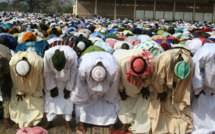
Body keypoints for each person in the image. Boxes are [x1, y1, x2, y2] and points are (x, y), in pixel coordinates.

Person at [73, 51, 120, 133]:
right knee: (82, 101)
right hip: (89, 88)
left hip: (107, 88)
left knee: (112, 101)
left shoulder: (114, 70)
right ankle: (82, 123)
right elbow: (80, 87)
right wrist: (84, 97)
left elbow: (113, 89)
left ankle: (111, 123)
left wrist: (109, 98)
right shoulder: (83, 68)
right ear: (90, 73)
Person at [149, 48, 193, 134]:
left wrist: (177, 93)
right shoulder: (165, 61)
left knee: (177, 107)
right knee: (159, 106)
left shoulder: (189, 61)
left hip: (174, 85)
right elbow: (159, 79)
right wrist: (161, 92)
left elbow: (185, 83)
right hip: (161, 82)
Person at [113, 48, 156, 133]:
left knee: (145, 105)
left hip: (141, 91)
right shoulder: (122, 62)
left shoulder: (150, 62)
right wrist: (122, 91)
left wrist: (144, 87)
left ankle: (139, 124)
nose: (138, 78)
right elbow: (119, 78)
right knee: (123, 104)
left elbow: (150, 76)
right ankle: (126, 123)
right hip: (127, 89)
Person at [43, 45, 77, 130]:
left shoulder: (72, 56)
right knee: (50, 99)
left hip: (67, 79)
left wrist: (69, 88)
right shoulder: (47, 55)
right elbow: (46, 72)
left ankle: (67, 121)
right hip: (52, 78)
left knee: (68, 99)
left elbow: (73, 72)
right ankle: (50, 120)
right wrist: (52, 87)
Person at [9, 50, 44, 128]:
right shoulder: (12, 63)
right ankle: (18, 121)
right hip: (20, 88)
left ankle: (35, 122)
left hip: (35, 85)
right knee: (19, 101)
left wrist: (33, 88)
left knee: (36, 103)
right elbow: (14, 80)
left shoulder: (37, 62)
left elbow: (40, 76)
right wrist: (20, 91)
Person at [192, 43, 215, 134]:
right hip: (206, 93)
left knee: (202, 127)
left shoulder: (205, 52)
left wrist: (197, 90)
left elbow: (196, 73)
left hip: (204, 95)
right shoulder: (206, 51)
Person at [0, 44, 13, 129]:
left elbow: (8, 73)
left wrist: (6, 118)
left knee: (6, 93)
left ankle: (6, 118)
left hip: (5, 73)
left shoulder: (6, 54)